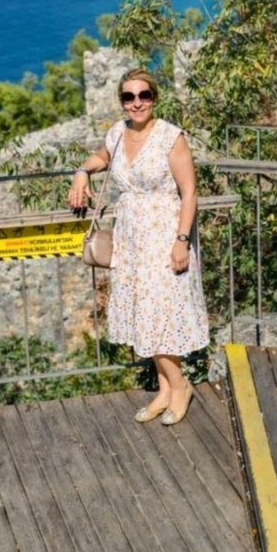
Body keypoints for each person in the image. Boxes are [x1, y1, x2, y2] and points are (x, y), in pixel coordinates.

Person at [68, 67, 209, 425]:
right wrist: (82, 171)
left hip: (164, 233)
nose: (136, 103)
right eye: (128, 97)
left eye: (143, 95)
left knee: (161, 311)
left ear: (154, 98)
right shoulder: (117, 133)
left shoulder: (170, 137)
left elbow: (190, 191)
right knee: (142, 311)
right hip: (130, 237)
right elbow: (101, 157)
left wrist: (181, 241)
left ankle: (180, 387)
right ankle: (164, 389)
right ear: (122, 102)